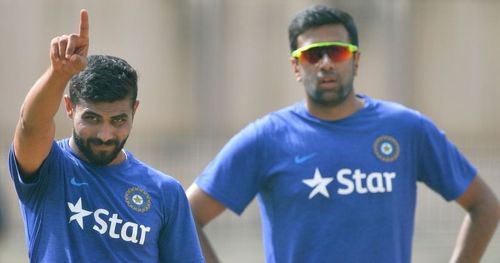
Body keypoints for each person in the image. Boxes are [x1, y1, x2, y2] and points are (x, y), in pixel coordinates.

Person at [186, 4, 500, 263]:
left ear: (356, 60)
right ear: (296, 67)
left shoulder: (407, 129)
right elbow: (183, 214)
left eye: (337, 52)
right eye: (312, 55)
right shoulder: (267, 138)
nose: (325, 64)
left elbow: (485, 204)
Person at [8, 9, 204, 263]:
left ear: (135, 110)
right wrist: (58, 75)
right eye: (92, 118)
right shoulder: (48, 168)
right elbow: (30, 126)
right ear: (69, 108)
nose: (105, 134)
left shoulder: (165, 192)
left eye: (118, 120)